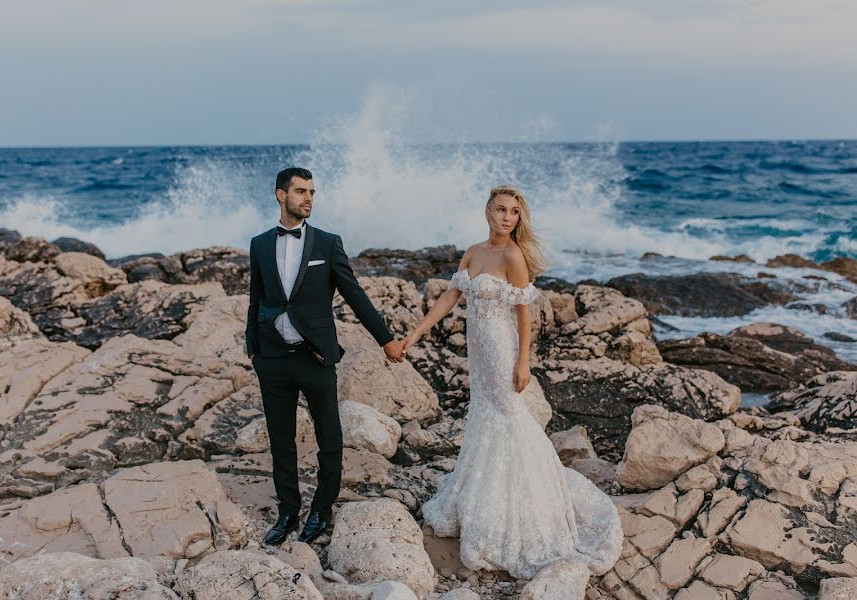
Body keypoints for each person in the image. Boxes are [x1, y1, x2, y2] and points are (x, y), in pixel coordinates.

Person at [401, 186, 623, 581]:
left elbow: (525, 316)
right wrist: (414, 335)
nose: (507, 217)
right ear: (488, 211)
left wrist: (523, 362)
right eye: (501, 209)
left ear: (519, 219)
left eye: (514, 213)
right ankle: (481, 492)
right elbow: (449, 298)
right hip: (478, 352)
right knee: (484, 415)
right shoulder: (473, 251)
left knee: (510, 417)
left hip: (503, 350)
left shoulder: (512, 256)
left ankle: (526, 505)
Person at [245, 167, 405, 546]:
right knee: (281, 440)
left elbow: (354, 295)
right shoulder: (260, 244)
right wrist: (253, 347)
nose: (308, 198)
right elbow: (257, 298)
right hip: (272, 358)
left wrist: (386, 340)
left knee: (329, 438)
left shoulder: (327, 243)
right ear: (280, 195)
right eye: (300, 191)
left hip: (316, 357)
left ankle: (321, 508)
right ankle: (287, 512)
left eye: (312, 192)